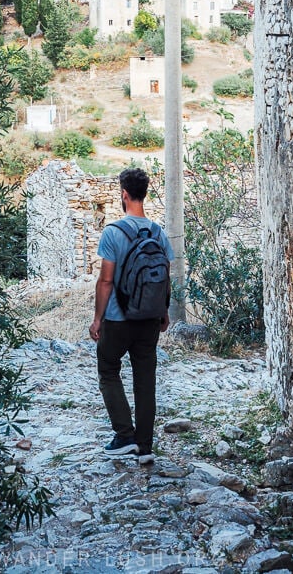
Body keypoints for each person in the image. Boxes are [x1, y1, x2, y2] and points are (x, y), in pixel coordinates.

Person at [89, 167, 174, 464]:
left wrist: (98, 318)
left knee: (109, 369)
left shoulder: (113, 232)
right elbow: (165, 275)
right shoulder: (158, 232)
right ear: (145, 193)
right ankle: (145, 447)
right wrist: (164, 310)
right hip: (149, 319)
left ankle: (125, 435)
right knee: (145, 380)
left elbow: (106, 281)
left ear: (124, 194)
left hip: (118, 319)